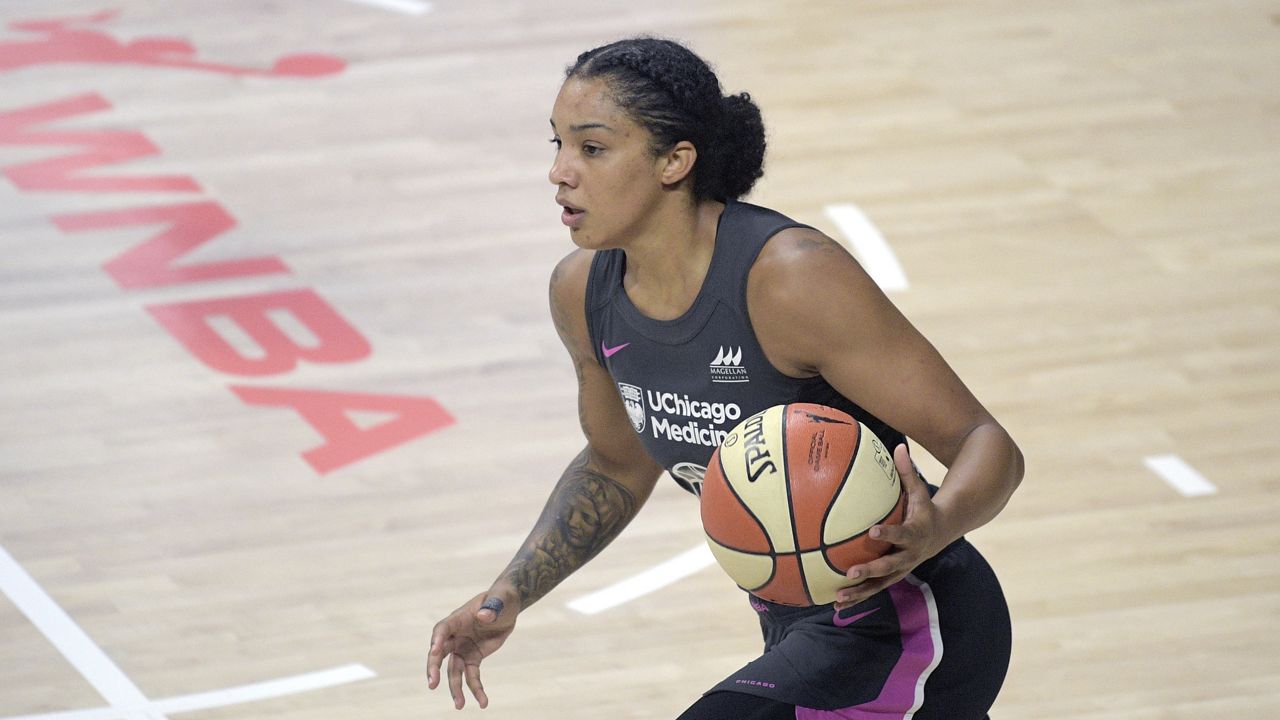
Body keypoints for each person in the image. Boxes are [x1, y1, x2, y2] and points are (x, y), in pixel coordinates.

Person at [427, 37, 1025, 719]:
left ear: (674, 162)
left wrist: (936, 524)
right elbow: (617, 466)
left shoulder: (790, 277)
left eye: (591, 149)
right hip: (794, 626)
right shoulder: (582, 293)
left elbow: (987, 443)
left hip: (912, 625)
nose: (560, 172)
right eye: (557, 144)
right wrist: (508, 594)